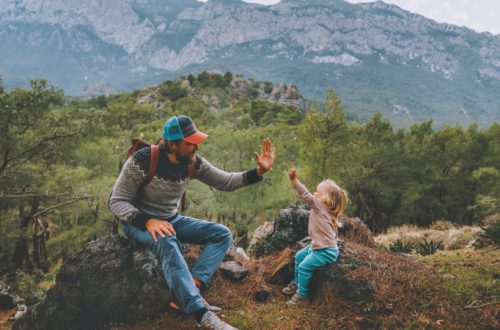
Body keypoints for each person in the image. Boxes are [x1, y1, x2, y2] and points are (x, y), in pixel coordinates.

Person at [109, 115, 275, 330]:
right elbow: (117, 201)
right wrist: (147, 221)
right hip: (138, 223)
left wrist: (259, 171)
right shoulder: (142, 160)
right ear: (171, 144)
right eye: (190, 143)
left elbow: (226, 181)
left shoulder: (192, 163)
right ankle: (201, 315)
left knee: (222, 234)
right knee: (166, 239)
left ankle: (191, 289)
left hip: (171, 219)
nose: (196, 147)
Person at [282, 168, 348, 305]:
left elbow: (305, 194)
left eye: (318, 192)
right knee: (299, 256)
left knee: (304, 267)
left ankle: (303, 295)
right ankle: (298, 282)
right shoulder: (328, 210)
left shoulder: (319, 205)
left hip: (325, 251)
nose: (314, 193)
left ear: (326, 198)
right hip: (319, 247)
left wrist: (295, 181)